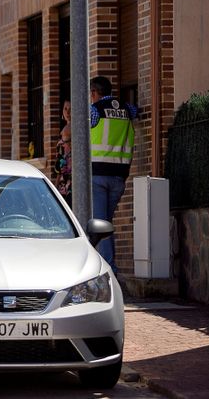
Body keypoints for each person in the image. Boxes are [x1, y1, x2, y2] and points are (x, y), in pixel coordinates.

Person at [89, 76, 137, 274]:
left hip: (98, 175)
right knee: (105, 223)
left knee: (100, 224)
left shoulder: (94, 110)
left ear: (93, 93)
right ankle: (107, 267)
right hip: (119, 176)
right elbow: (136, 111)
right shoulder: (127, 109)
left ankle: (108, 269)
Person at [54, 99, 72, 207]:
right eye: (65, 109)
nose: (67, 112)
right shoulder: (63, 131)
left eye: (71, 109)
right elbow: (59, 166)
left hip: (72, 182)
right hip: (62, 183)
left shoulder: (75, 130)